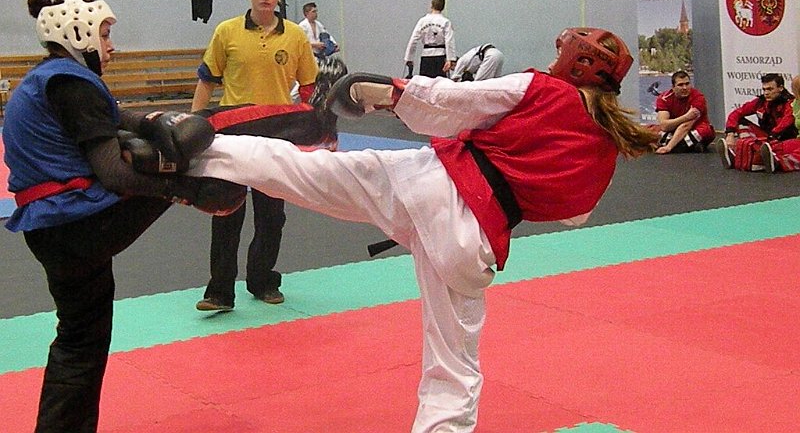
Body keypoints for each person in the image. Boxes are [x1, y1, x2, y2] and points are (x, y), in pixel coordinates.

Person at [187, 27, 659, 432]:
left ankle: (188, 152)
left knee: (304, 171)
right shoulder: (603, 146)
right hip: (473, 239)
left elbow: (457, 101)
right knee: (454, 366)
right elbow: (575, 214)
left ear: (576, 63)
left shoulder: (544, 90)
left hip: (429, 183)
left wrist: (393, 93)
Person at [4, 0, 244, 433]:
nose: (111, 46)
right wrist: (186, 192)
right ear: (77, 32)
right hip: (78, 224)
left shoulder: (48, 78)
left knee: (80, 341)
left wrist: (155, 121)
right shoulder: (71, 84)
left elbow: (115, 115)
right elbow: (114, 175)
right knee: (185, 158)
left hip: (53, 231)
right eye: (105, 34)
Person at [191, 0, 319, 311]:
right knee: (225, 211)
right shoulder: (226, 31)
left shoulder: (295, 36)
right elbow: (207, 81)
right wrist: (191, 127)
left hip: (276, 135)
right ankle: (220, 292)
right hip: (232, 133)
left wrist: (311, 128)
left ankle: (262, 281)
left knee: (271, 215)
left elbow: (309, 87)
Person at [717, 72, 797, 171]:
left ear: (780, 88)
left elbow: (787, 121)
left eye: (770, 89)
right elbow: (736, 113)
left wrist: (769, 138)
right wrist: (730, 134)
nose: (766, 93)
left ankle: (755, 157)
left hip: (782, 138)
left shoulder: (790, 102)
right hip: (766, 138)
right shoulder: (760, 102)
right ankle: (739, 155)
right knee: (740, 122)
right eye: (764, 89)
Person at [653, 70, 715, 154]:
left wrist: (669, 147)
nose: (685, 88)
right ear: (673, 87)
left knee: (706, 131)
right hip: (673, 129)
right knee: (651, 130)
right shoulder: (663, 98)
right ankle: (689, 145)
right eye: (680, 85)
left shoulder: (698, 98)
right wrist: (686, 117)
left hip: (694, 128)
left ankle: (675, 144)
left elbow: (686, 126)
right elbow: (664, 126)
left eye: (687, 84)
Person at [404, 0, 456, 78]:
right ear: (443, 7)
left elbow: (413, 40)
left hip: (426, 57)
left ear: (431, 5)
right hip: (440, 56)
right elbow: (449, 41)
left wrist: (409, 58)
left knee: (425, 83)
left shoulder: (422, 21)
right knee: (440, 83)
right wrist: (450, 59)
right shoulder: (445, 22)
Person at [759, 74, 800, 173]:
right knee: (776, 147)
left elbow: (787, 120)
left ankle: (779, 163)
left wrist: (774, 133)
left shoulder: (788, 102)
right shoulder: (795, 103)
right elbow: (789, 118)